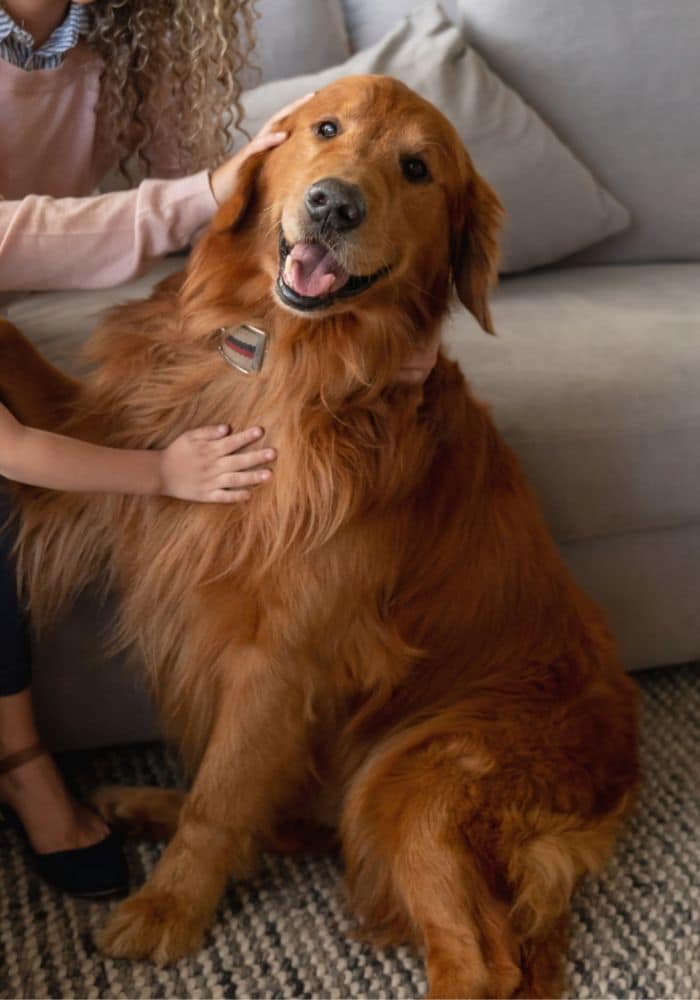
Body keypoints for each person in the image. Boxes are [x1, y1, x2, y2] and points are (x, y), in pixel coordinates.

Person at [0, 0, 438, 898]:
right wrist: (158, 470)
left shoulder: (138, 31)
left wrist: (401, 332)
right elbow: (205, 195)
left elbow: (228, 216)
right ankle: (24, 761)